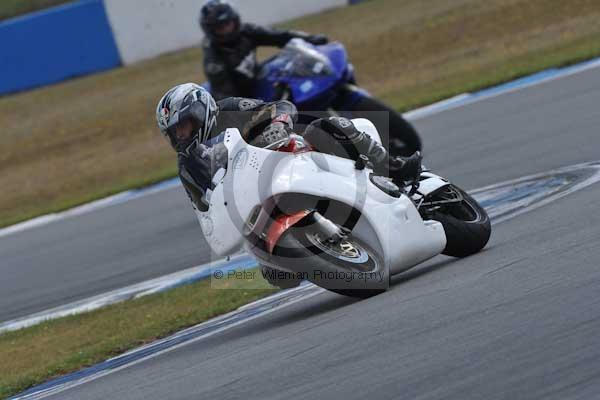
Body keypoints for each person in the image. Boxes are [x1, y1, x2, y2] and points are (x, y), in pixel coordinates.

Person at [156, 83, 421, 215]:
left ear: (201, 110)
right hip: (256, 198)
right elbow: (205, 211)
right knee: (273, 273)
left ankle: (396, 169)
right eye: (175, 132)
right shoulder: (187, 165)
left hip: (285, 154)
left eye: (185, 126)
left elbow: (278, 107)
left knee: (327, 126)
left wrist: (279, 121)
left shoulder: (230, 107)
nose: (182, 135)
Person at [199, 0, 328, 100]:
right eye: (220, 27)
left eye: (228, 23)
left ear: (234, 19)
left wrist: (310, 38)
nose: (226, 29)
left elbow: (280, 36)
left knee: (284, 65)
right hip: (243, 98)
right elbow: (227, 98)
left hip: (255, 77)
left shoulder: (246, 31)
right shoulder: (214, 61)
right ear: (210, 30)